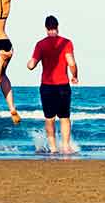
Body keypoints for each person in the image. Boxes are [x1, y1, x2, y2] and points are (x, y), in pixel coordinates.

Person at [27, 15, 78, 154]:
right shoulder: (66, 42)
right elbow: (71, 62)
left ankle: (53, 148)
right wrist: (75, 76)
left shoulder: (41, 44)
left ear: (46, 28)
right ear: (57, 26)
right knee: (65, 118)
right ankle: (66, 147)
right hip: (63, 86)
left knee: (49, 119)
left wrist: (29, 63)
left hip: (47, 86)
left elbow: (31, 65)